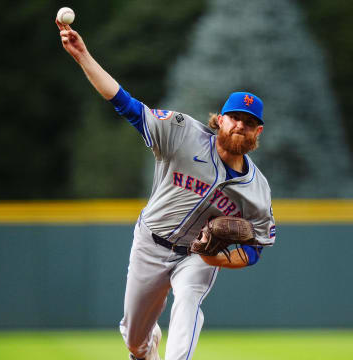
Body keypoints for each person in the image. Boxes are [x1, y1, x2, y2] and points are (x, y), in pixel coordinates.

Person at [56, 19, 276, 360]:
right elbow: (126, 104)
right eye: (234, 118)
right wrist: (83, 55)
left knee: (189, 297)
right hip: (151, 242)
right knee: (134, 340)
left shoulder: (257, 190)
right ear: (220, 119)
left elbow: (256, 249)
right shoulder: (182, 132)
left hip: (197, 255)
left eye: (248, 123)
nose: (240, 126)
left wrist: (215, 256)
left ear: (257, 133)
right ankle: (146, 347)